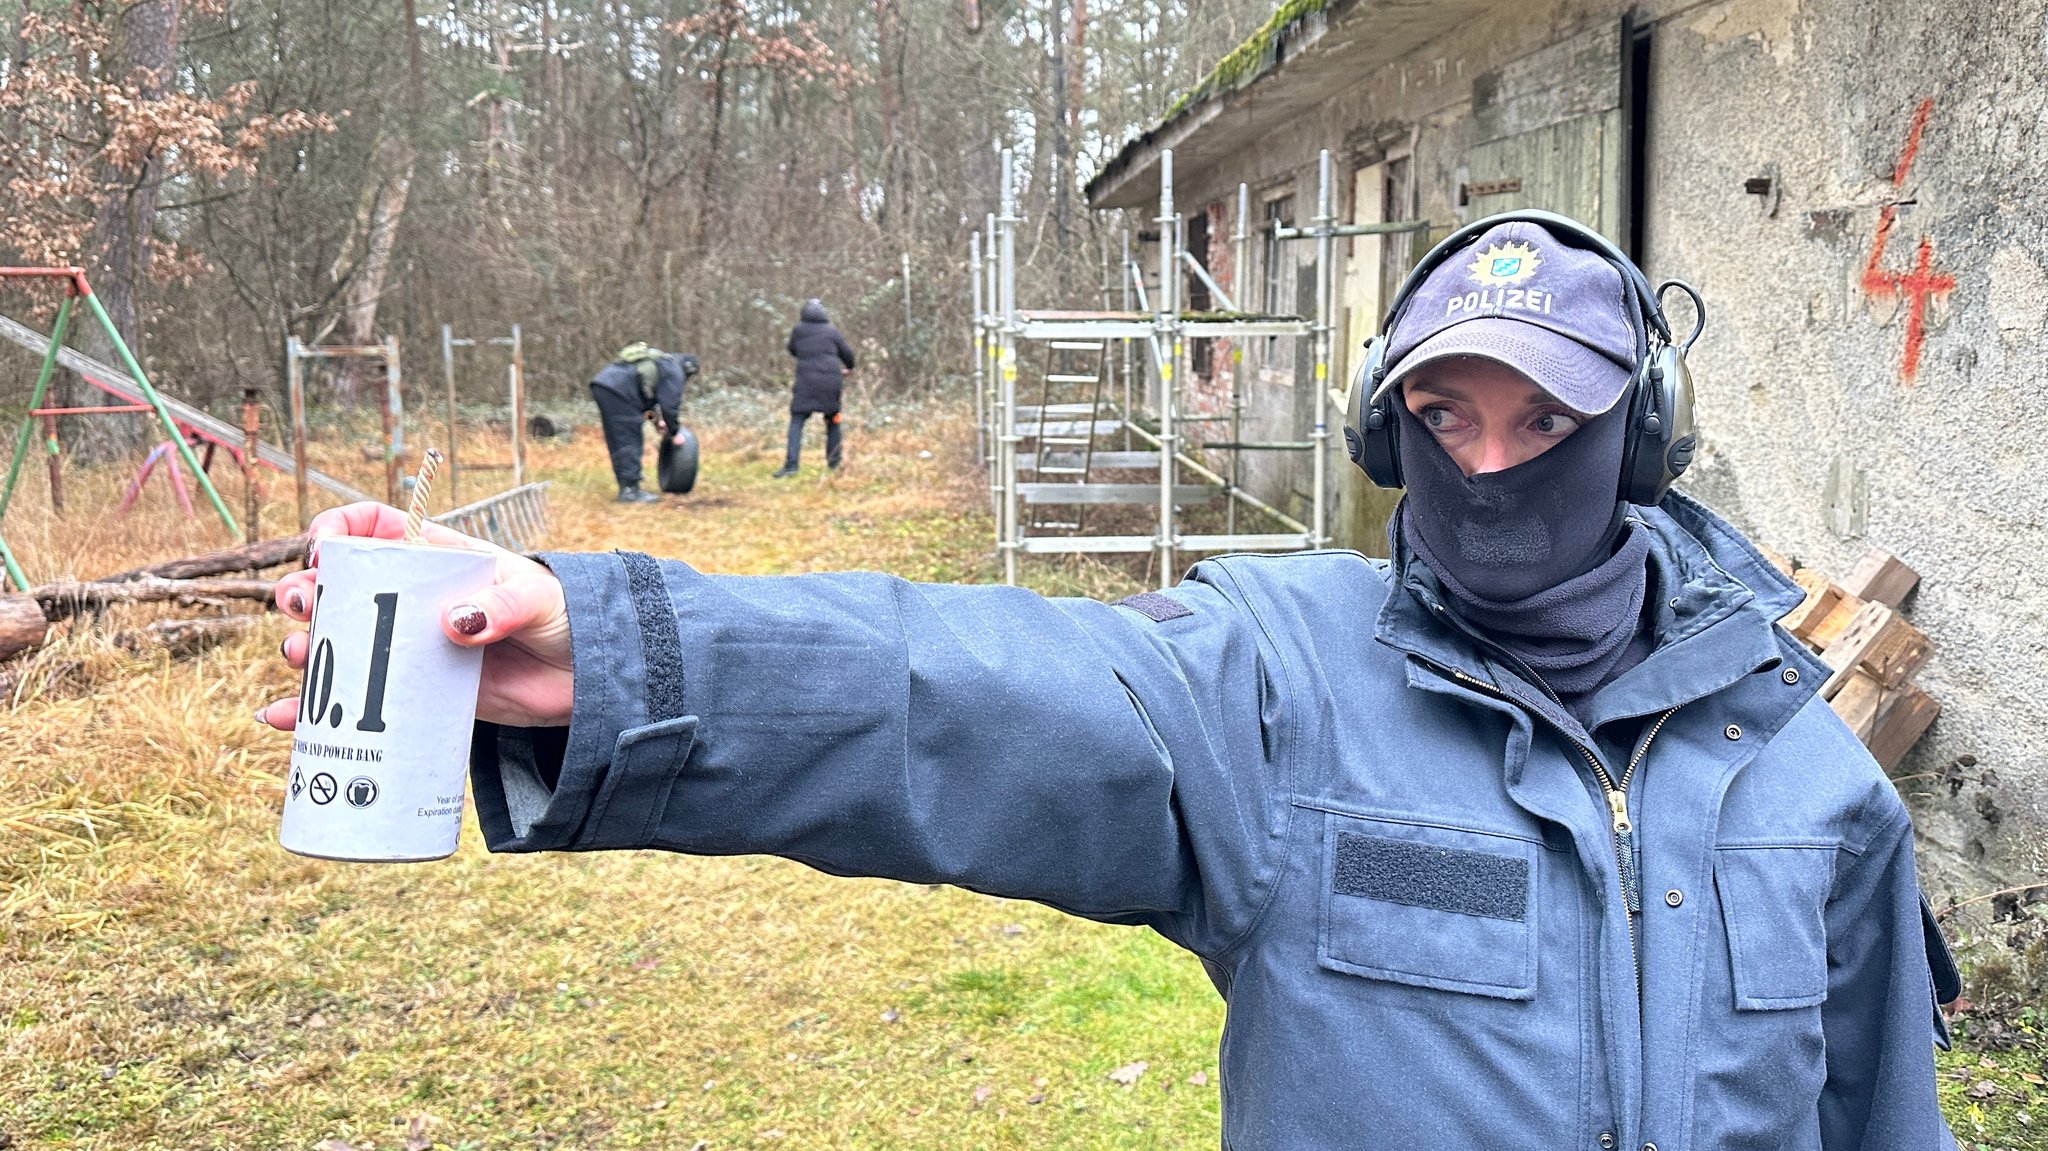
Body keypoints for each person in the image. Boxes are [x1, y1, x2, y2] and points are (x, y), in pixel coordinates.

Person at [261, 213, 1958, 1150]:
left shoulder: (1807, 787)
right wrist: (608, 657)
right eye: (1444, 419)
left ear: (1636, 444)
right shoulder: (1281, 689)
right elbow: (963, 687)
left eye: (1547, 424)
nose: (1489, 463)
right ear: (1389, 435)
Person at [588, 342, 697, 503]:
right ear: (689, 370)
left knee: (618, 437)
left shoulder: (661, 362)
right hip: (618, 391)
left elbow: (648, 399)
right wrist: (674, 433)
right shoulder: (675, 370)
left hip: (603, 385)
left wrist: (657, 422)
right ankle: (630, 491)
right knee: (629, 437)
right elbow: (669, 406)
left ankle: (627, 485)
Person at [775, 298, 855, 477]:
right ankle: (834, 463)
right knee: (833, 420)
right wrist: (849, 368)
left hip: (806, 383)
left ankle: (791, 466)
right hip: (831, 382)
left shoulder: (798, 331)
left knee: (797, 421)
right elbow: (848, 354)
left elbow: (792, 350)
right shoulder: (832, 331)